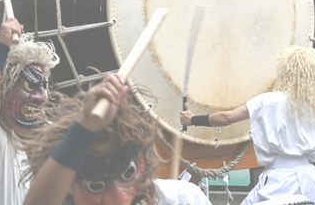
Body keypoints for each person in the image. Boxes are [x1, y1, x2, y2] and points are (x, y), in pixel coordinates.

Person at [181, 45, 315, 205]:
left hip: (278, 179)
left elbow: (226, 117)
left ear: (286, 72)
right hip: (310, 178)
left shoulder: (268, 101)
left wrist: (193, 120)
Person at [22, 74, 211, 205]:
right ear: (71, 186)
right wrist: (85, 127)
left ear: (143, 161)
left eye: (128, 173)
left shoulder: (183, 199)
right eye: (96, 186)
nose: (116, 199)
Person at [0, 18, 60, 205]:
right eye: (30, 85)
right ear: (3, 92)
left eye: (44, 87)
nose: (43, 97)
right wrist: (3, 47)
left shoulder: (50, 138)